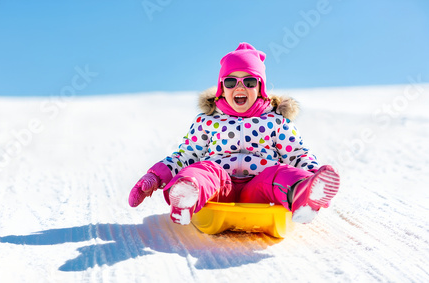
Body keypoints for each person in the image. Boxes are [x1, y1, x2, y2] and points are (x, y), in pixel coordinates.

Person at [128, 42, 340, 225]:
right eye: (231, 82)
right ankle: (187, 194)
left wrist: (312, 174)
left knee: (278, 173)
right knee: (205, 169)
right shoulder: (208, 121)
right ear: (222, 87)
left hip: (261, 188)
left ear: (260, 88)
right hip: (220, 188)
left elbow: (297, 154)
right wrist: (155, 176)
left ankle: (304, 194)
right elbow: (186, 155)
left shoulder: (276, 121)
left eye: (249, 82)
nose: (240, 86)